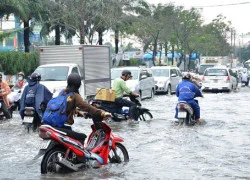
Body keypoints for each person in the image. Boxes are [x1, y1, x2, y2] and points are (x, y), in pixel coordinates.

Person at [44, 73, 111, 130]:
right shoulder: (75, 95)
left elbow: (65, 107)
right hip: (64, 125)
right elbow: (87, 107)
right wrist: (102, 113)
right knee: (82, 137)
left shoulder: (63, 92)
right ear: (78, 85)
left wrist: (79, 112)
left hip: (54, 124)